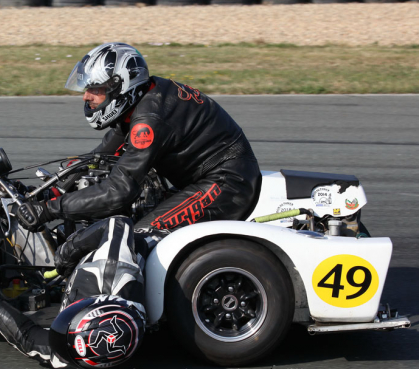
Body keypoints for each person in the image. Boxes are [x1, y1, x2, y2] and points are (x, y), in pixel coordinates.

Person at [15, 42, 262, 241]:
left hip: (227, 183)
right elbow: (97, 158)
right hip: (205, 179)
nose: (86, 97)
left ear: (119, 86)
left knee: (137, 239)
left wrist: (50, 210)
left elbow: (118, 191)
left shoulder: (149, 119)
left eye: (95, 89)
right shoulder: (139, 102)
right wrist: (49, 191)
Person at [0, 216, 147, 369]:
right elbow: (119, 222)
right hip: (137, 242)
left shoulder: (70, 357)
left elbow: (27, 338)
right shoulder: (112, 271)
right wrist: (69, 251)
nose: (59, 333)